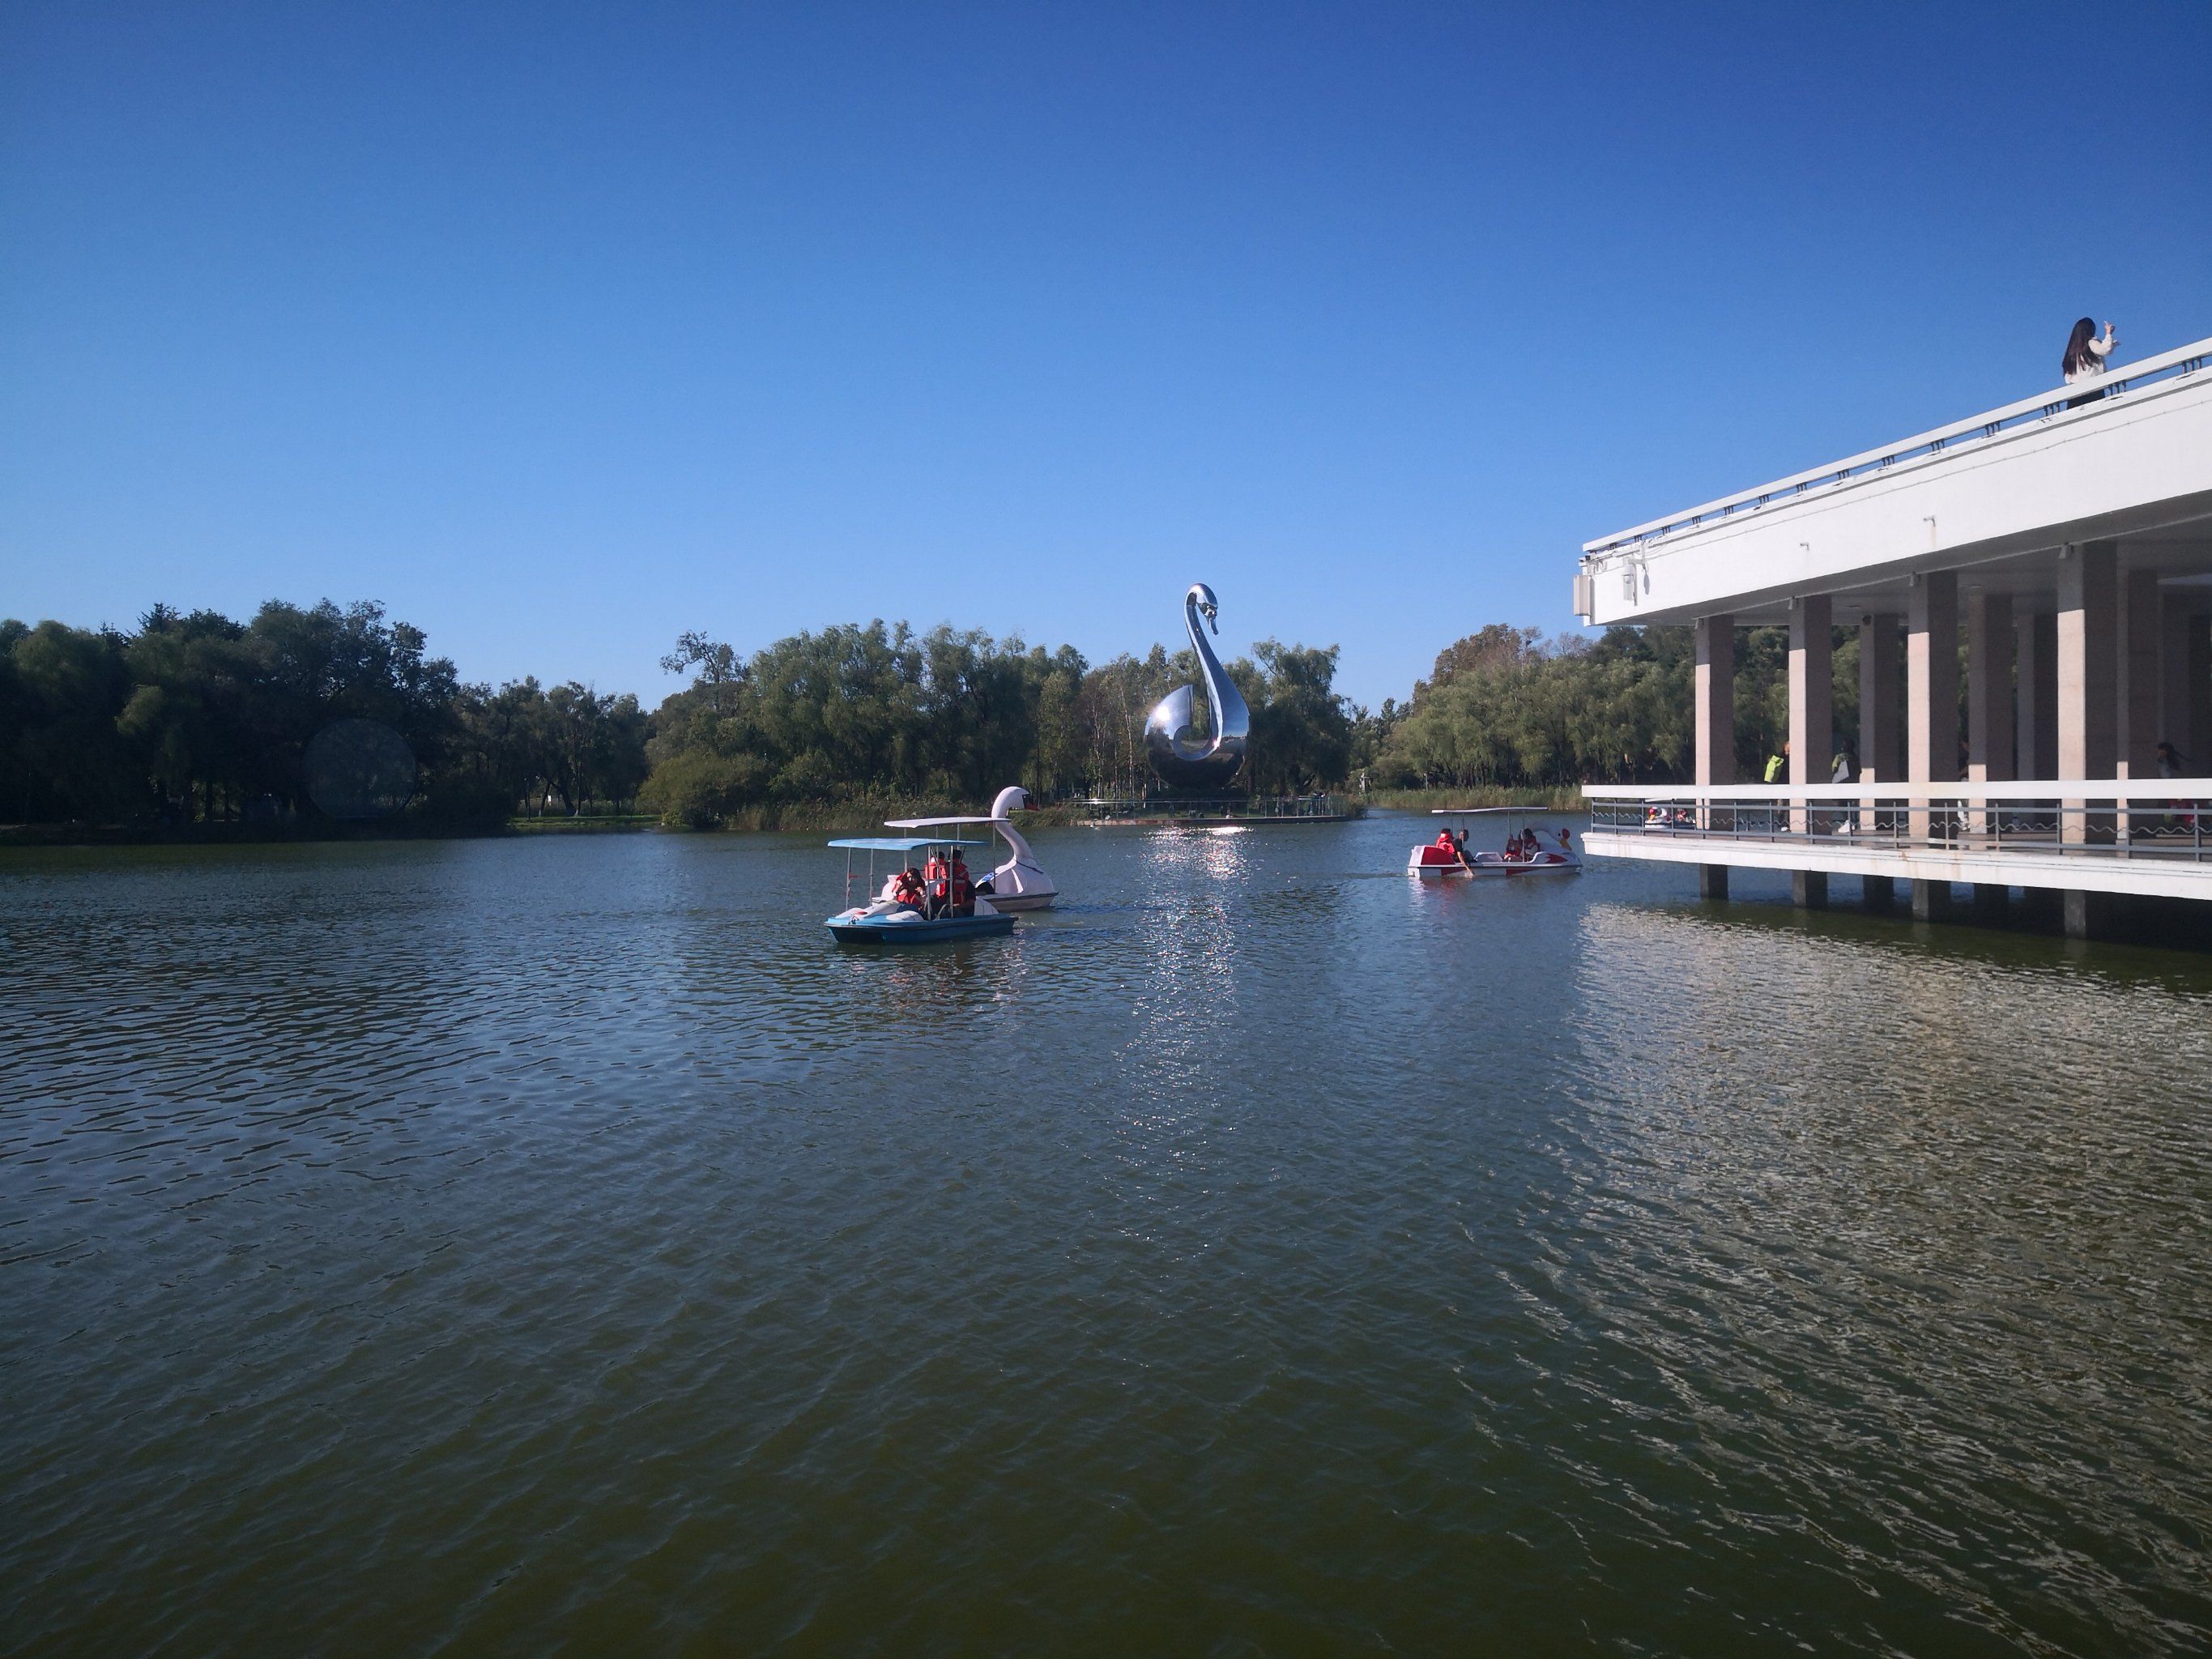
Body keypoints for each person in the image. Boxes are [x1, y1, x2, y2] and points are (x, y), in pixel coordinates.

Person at [2063, 317, 2118, 409]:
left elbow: (2068, 376)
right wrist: (2108, 334)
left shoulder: (2072, 351)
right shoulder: (2091, 343)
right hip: (2093, 389)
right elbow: (2105, 350)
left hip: (2074, 393)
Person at [948, 851, 975, 916]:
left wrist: (958, 906)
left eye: (954, 866)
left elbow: (972, 901)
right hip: (946, 911)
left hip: (963, 913)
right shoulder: (944, 882)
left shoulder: (966, 883)